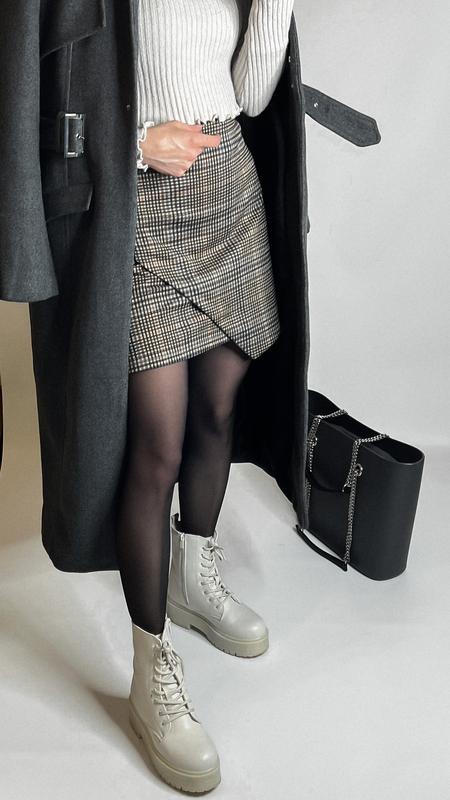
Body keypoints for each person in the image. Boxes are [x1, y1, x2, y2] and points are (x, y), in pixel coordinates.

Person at [114, 0, 294, 792]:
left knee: (218, 410)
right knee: (156, 445)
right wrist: (134, 143)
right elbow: (51, 90)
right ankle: (148, 671)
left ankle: (195, 577)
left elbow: (250, 94)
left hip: (228, 187)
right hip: (144, 202)